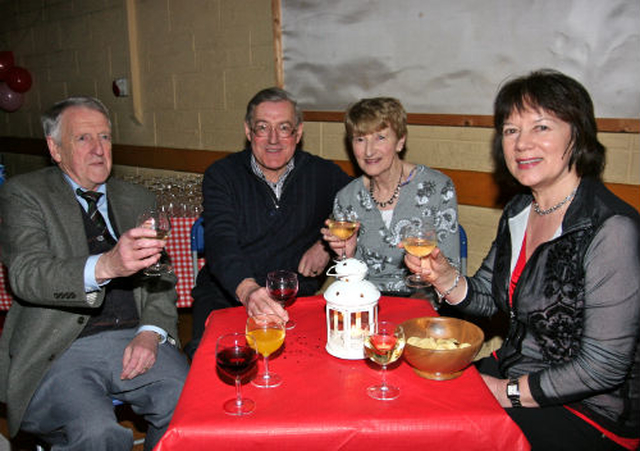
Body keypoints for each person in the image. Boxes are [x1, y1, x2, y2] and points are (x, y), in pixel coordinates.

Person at [405, 70, 640, 450]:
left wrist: (504, 390)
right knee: (415, 401)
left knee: (448, 435)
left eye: (541, 127)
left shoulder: (612, 230)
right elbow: (486, 297)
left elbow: (602, 367)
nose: (522, 144)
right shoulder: (519, 210)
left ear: (577, 135)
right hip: (515, 367)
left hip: (589, 411)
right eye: (511, 131)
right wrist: (445, 275)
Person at [0, 97, 189, 451]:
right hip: (61, 346)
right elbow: (27, 274)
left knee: (189, 404)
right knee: (97, 431)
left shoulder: (137, 198)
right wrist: (106, 266)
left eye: (104, 137)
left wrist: (151, 332)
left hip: (134, 336)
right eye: (83, 139)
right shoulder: (25, 195)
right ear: (55, 149)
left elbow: (161, 280)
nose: (99, 149)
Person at [188, 87, 351, 356]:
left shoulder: (322, 174)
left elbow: (361, 203)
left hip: (295, 302)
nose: (273, 139)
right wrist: (248, 290)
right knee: (210, 367)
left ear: (298, 133)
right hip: (228, 296)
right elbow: (220, 241)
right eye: (263, 127)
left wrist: (326, 242)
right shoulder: (222, 175)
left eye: (284, 128)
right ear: (248, 131)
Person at [322, 97, 459, 296]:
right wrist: (347, 255)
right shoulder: (347, 198)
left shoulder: (437, 188)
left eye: (380, 137)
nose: (369, 151)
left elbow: (452, 271)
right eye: (360, 139)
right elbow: (347, 283)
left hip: (424, 302)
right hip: (367, 304)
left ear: (400, 141)